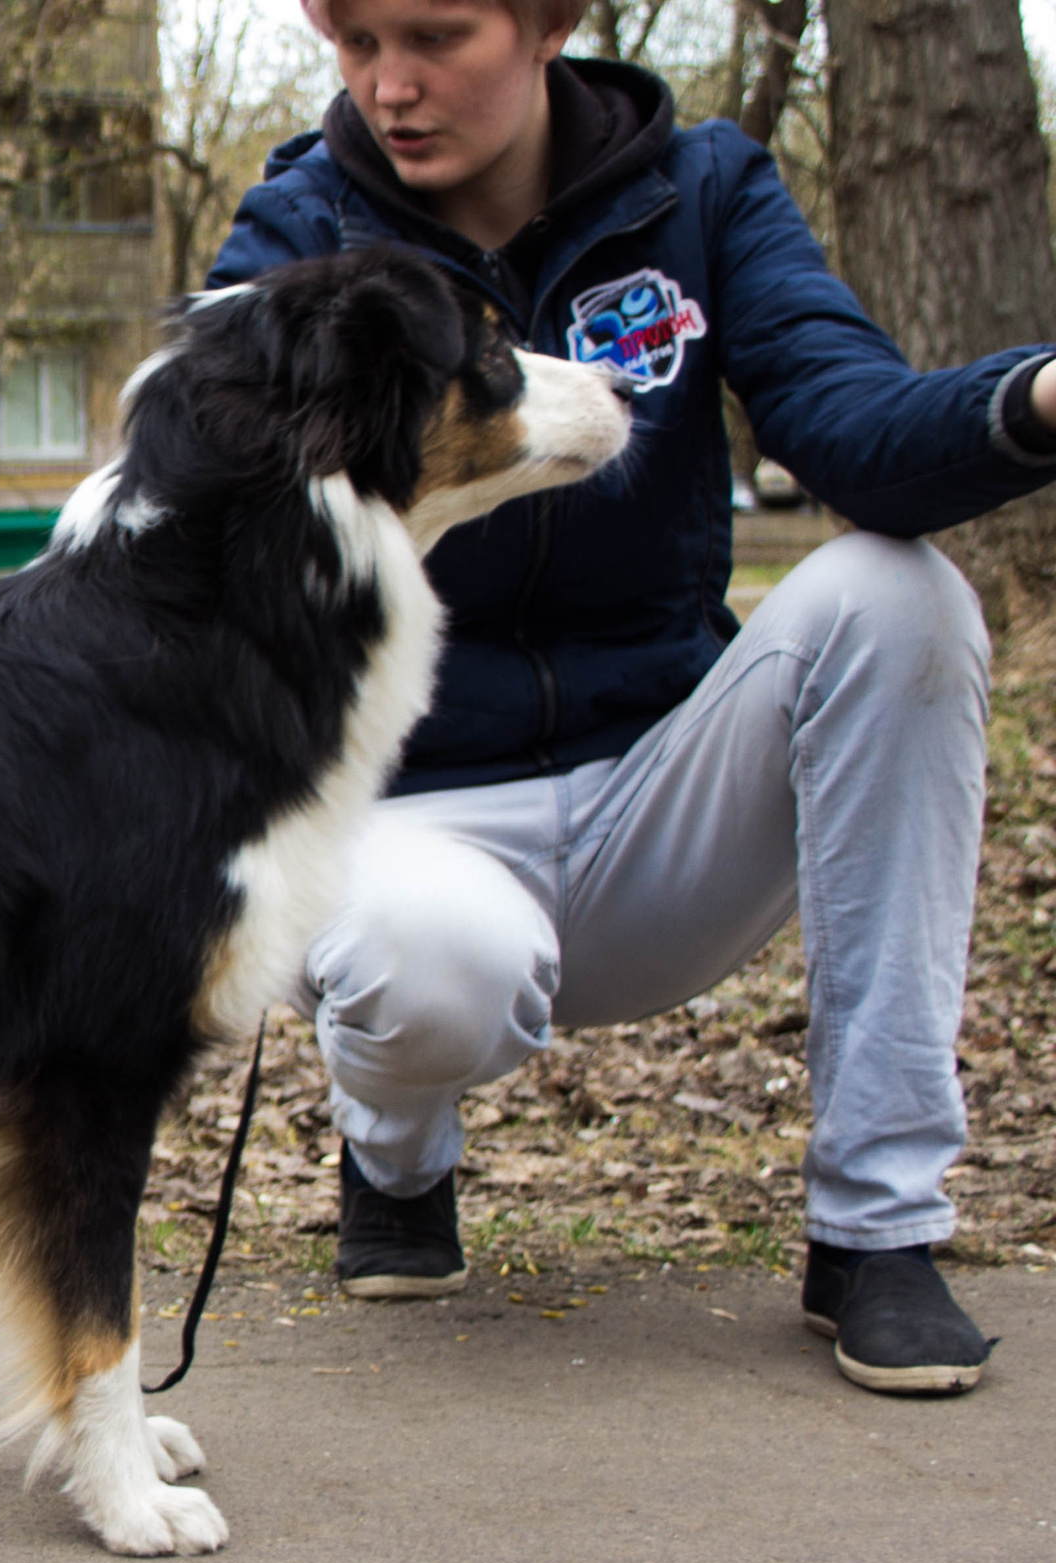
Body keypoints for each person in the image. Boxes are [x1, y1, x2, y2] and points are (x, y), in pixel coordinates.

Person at [206, 0, 1056, 1394]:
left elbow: (860, 437)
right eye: (354, 43)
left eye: (433, 36)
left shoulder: (706, 191)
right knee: (427, 963)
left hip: (665, 792)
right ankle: (397, 1156)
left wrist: (1035, 402)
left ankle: (878, 1229)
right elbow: (197, 496)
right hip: (416, 821)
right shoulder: (304, 228)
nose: (390, 86)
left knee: (901, 598)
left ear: (550, 23)